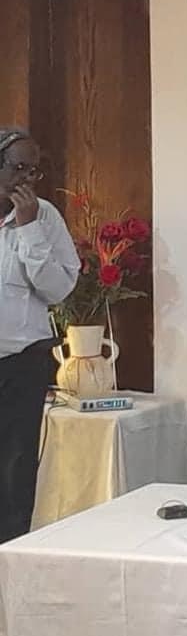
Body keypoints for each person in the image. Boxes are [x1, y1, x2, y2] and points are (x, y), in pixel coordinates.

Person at [0, 128, 80, 543]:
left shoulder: (44, 216)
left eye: (34, 171)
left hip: (22, 363)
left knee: (15, 470)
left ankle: (9, 556)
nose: (27, 180)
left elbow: (57, 289)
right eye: (19, 168)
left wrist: (29, 230)